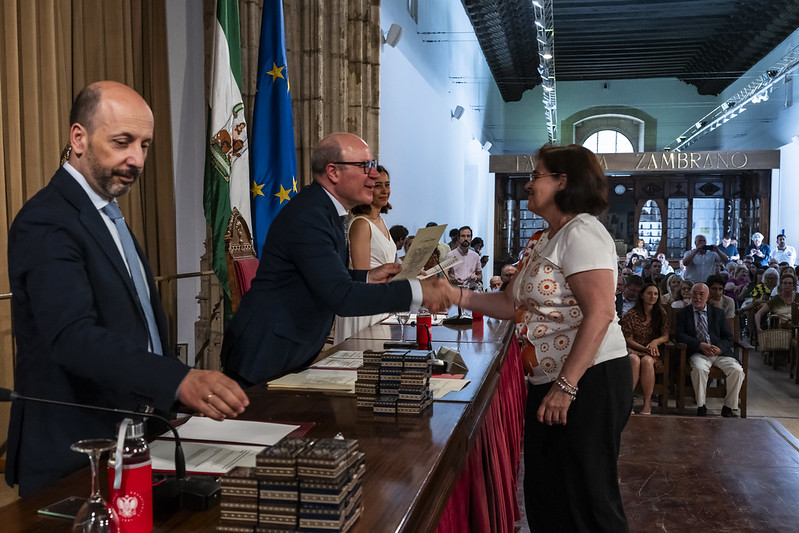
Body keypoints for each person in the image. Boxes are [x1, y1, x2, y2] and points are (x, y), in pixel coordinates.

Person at [5, 81, 250, 496]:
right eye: (122, 142)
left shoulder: (106, 212)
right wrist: (177, 380)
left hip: (130, 437)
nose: (136, 159)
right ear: (78, 138)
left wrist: (161, 403)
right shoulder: (47, 219)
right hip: (75, 451)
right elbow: (72, 338)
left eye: (145, 145)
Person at [442, 144, 631, 531]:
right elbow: (511, 304)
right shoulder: (544, 238)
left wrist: (566, 386)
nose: (528, 184)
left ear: (563, 181)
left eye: (536, 175)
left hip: (588, 380)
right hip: (549, 381)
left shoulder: (583, 233)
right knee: (547, 493)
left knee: (589, 497)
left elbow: (600, 313)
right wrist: (453, 295)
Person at [221, 133, 451, 386]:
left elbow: (321, 274)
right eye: (365, 166)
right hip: (265, 356)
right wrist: (417, 292)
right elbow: (341, 296)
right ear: (333, 172)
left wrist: (366, 276)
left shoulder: (326, 209)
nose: (374, 176)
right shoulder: (309, 215)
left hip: (290, 350)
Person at [333, 165, 397, 344]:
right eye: (378, 186)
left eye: (387, 185)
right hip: (363, 306)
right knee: (360, 364)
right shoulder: (361, 224)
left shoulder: (381, 221)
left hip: (380, 302)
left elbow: (385, 263)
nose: (385, 191)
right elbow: (363, 274)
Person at [676, 283, 744, 418]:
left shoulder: (718, 313)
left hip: (719, 353)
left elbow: (728, 337)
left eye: (701, 294)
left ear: (707, 297)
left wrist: (719, 348)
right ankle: (701, 406)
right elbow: (680, 335)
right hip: (698, 352)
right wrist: (700, 345)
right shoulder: (683, 313)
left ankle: (728, 407)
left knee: (737, 371)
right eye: (695, 293)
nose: (697, 297)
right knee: (700, 369)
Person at [621, 283, 669, 415]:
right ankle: (628, 402)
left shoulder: (661, 313)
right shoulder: (631, 314)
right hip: (634, 348)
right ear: (642, 295)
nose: (652, 296)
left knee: (647, 361)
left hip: (652, 351)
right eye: (649, 293)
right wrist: (643, 348)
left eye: (655, 294)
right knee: (634, 359)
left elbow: (665, 335)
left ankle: (647, 403)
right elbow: (628, 339)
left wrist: (655, 342)